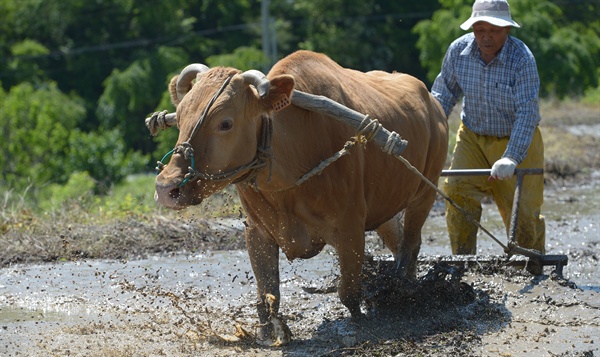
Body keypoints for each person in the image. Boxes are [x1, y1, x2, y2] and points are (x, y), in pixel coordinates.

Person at [431, 0, 545, 274]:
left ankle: (531, 267)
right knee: (456, 193)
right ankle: (463, 263)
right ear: (472, 29)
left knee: (523, 215)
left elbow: (528, 114)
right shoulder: (458, 51)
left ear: (506, 29)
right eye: (480, 30)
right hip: (472, 136)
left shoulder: (522, 59)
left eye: (493, 30)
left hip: (516, 138)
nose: (486, 37)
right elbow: (442, 96)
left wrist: (511, 157)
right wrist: (426, 134)